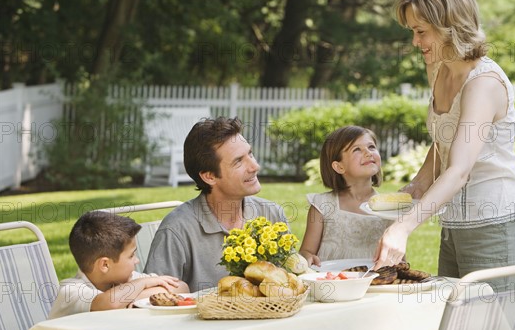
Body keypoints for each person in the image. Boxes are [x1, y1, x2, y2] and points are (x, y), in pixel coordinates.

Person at [373, 0, 515, 292]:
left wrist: (403, 227)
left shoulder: (483, 84)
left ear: (450, 26)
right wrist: (417, 185)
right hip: (455, 225)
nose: (415, 43)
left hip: (496, 225)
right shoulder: (441, 69)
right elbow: (444, 142)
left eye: (421, 32)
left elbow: (459, 170)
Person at [144, 116, 288, 292]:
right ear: (209, 176)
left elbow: (289, 286)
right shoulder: (177, 229)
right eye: (238, 161)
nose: (255, 166)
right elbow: (153, 298)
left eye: (250, 154)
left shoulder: (272, 214)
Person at [49, 211, 189, 319]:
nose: (137, 260)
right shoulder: (70, 290)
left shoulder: (128, 281)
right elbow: (111, 303)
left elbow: (182, 288)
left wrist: (132, 297)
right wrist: (144, 283)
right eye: (131, 255)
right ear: (105, 265)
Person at [299, 126, 393, 266]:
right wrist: (307, 258)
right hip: (333, 282)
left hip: (374, 283)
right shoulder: (322, 205)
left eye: (371, 147)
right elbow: (306, 251)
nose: (368, 153)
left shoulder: (389, 209)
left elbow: (397, 256)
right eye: (357, 149)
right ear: (339, 167)